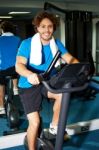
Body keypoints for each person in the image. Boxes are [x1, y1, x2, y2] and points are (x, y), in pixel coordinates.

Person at [15, 11, 79, 150]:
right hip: (29, 84)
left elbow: (70, 59)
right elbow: (19, 65)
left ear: (53, 28)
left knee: (63, 94)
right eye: (43, 26)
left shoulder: (56, 43)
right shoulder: (27, 44)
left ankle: (55, 127)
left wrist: (79, 69)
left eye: (50, 26)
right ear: (37, 28)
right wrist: (30, 74)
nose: (46, 30)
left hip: (46, 82)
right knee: (35, 122)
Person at [0, 21, 21, 114]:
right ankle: (15, 88)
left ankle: (1, 108)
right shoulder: (17, 39)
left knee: (1, 86)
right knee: (16, 67)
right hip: (14, 70)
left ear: (2, 29)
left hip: (2, 70)